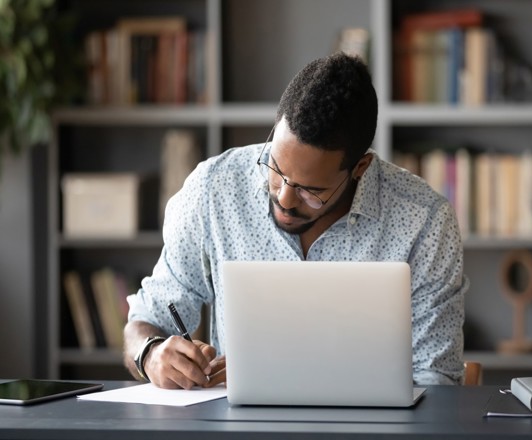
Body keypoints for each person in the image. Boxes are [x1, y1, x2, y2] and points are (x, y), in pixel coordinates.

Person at [124, 52, 468, 389]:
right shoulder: (214, 188)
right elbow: (145, 322)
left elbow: (435, 382)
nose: (284, 198)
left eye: (310, 190)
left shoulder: (425, 222)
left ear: (359, 169)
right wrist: (151, 354)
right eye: (276, 169)